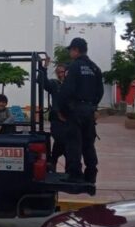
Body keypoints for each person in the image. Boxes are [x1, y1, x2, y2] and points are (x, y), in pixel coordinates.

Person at [58, 37, 104, 184]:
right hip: (89, 111)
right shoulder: (95, 68)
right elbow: (100, 91)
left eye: (71, 49)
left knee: (74, 143)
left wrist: (63, 110)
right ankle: (91, 173)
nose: (70, 53)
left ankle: (74, 174)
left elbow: (67, 90)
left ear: (76, 50)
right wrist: (93, 107)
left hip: (75, 110)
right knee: (88, 144)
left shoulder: (74, 67)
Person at [41, 58, 67, 171]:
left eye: (62, 72)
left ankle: (54, 160)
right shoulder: (54, 84)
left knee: (69, 144)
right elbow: (42, 82)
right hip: (56, 118)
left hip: (70, 119)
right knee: (59, 138)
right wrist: (44, 67)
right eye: (58, 72)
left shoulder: (72, 84)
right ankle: (53, 161)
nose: (60, 74)